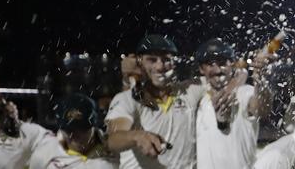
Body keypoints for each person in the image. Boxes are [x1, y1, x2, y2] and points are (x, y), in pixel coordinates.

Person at [105, 34, 238, 169]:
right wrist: (137, 137)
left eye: (166, 60)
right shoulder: (126, 99)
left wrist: (241, 73)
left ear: (174, 63)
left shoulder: (190, 90)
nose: (160, 66)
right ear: (139, 62)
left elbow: (226, 77)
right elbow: (112, 139)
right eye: (152, 60)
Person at [195, 38, 276, 169]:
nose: (217, 70)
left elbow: (261, 110)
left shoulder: (244, 93)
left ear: (231, 65)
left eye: (222, 63)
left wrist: (260, 80)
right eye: (210, 64)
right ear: (201, 69)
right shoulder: (199, 98)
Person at [30, 93, 119, 168]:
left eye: (81, 130)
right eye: (69, 131)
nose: (74, 136)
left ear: (93, 126)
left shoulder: (116, 151)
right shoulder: (44, 154)